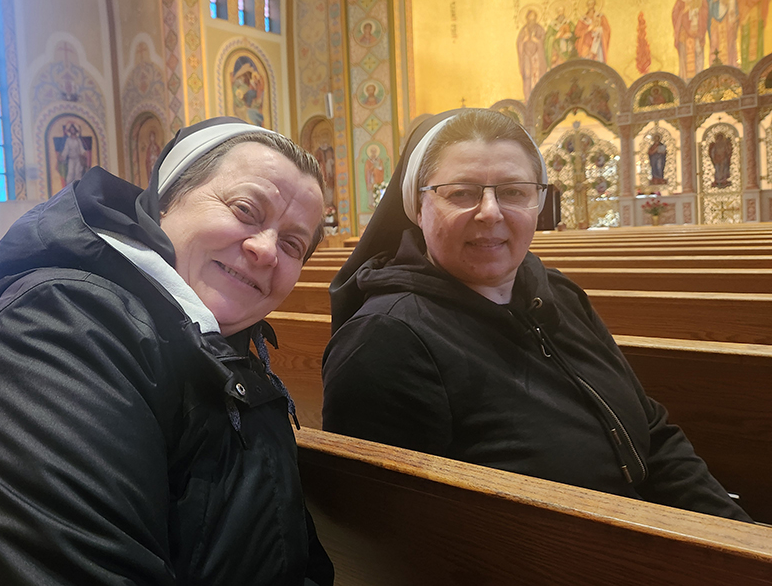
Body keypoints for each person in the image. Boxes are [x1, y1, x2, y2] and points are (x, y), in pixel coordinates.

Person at [0, 118, 335, 585]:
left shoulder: (228, 351)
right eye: (245, 209)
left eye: (293, 243)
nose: (266, 250)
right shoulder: (51, 336)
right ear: (165, 204)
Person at [321, 108, 750, 522]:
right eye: (461, 192)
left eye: (513, 192)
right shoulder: (384, 341)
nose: (490, 211)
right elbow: (394, 538)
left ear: (538, 202)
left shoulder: (558, 293)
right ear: (417, 207)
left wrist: (738, 539)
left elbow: (651, 432)